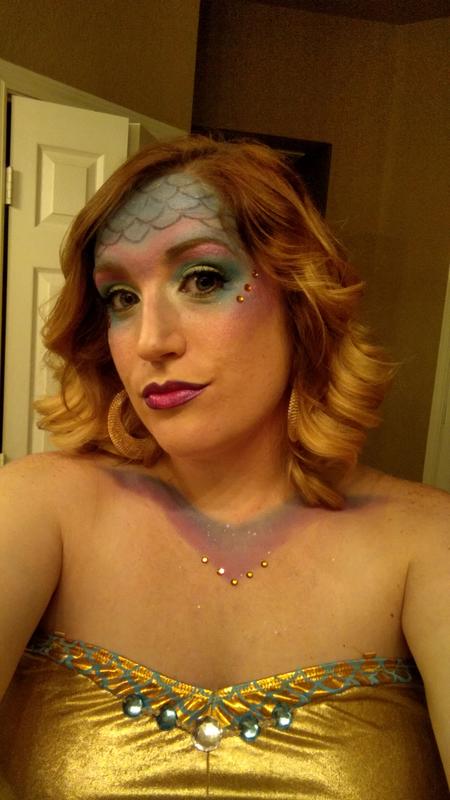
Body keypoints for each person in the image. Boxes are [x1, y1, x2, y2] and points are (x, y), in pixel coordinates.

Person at [0, 135, 448, 799]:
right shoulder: (38, 507)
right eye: (121, 297)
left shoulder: (427, 542)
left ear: (299, 299)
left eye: (203, 279)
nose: (151, 341)